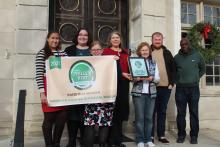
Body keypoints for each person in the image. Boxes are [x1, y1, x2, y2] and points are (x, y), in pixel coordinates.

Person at [35, 31, 67, 147]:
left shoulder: (62, 53)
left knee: (62, 117)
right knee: (48, 118)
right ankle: (49, 144)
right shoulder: (42, 53)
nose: (55, 40)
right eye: (52, 38)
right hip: (48, 88)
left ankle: (56, 143)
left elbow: (68, 68)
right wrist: (42, 93)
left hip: (61, 89)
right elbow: (39, 74)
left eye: (57, 38)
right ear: (48, 39)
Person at [83, 41, 114, 147]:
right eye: (94, 49)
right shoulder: (85, 62)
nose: (96, 51)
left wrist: (115, 61)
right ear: (90, 51)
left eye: (98, 49)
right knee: (90, 124)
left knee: (104, 124)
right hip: (91, 97)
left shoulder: (109, 61)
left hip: (106, 97)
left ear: (102, 50)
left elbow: (114, 78)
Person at [174, 38, 205, 144]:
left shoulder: (197, 55)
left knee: (194, 113)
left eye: (186, 44)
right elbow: (173, 71)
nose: (184, 46)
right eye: (182, 44)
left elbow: (203, 69)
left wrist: (196, 78)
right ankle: (181, 135)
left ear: (189, 44)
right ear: (180, 45)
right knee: (181, 113)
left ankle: (194, 136)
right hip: (180, 89)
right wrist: (177, 81)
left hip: (194, 89)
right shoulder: (176, 57)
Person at [102, 31, 131, 147]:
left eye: (117, 37)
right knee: (111, 113)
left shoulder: (126, 53)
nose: (115, 39)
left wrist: (132, 74)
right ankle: (109, 140)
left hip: (123, 85)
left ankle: (118, 140)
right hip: (111, 84)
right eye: (113, 38)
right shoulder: (106, 52)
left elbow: (130, 68)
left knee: (120, 113)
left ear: (120, 39)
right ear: (110, 40)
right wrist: (122, 73)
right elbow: (104, 69)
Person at [65, 28, 91, 147]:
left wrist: (113, 59)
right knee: (72, 116)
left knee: (85, 116)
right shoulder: (69, 50)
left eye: (85, 35)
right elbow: (63, 67)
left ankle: (84, 142)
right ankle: (71, 141)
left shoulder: (92, 51)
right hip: (73, 89)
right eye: (80, 35)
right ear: (77, 36)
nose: (83, 37)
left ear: (88, 37)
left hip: (89, 91)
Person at [131, 42, 160, 147]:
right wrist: (137, 78)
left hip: (151, 94)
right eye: (142, 50)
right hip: (138, 94)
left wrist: (151, 78)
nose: (144, 52)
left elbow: (157, 79)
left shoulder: (153, 62)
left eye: (146, 50)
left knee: (149, 118)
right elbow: (132, 79)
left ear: (149, 51)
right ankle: (140, 140)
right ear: (139, 51)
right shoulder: (135, 62)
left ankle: (148, 139)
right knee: (140, 118)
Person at [151, 32, 176, 144]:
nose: (157, 41)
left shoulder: (167, 52)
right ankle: (150, 135)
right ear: (152, 40)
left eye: (159, 39)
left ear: (162, 40)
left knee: (162, 111)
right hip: (152, 87)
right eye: (155, 39)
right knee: (152, 112)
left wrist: (172, 83)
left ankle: (161, 135)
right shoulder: (148, 51)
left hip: (166, 87)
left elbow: (173, 68)